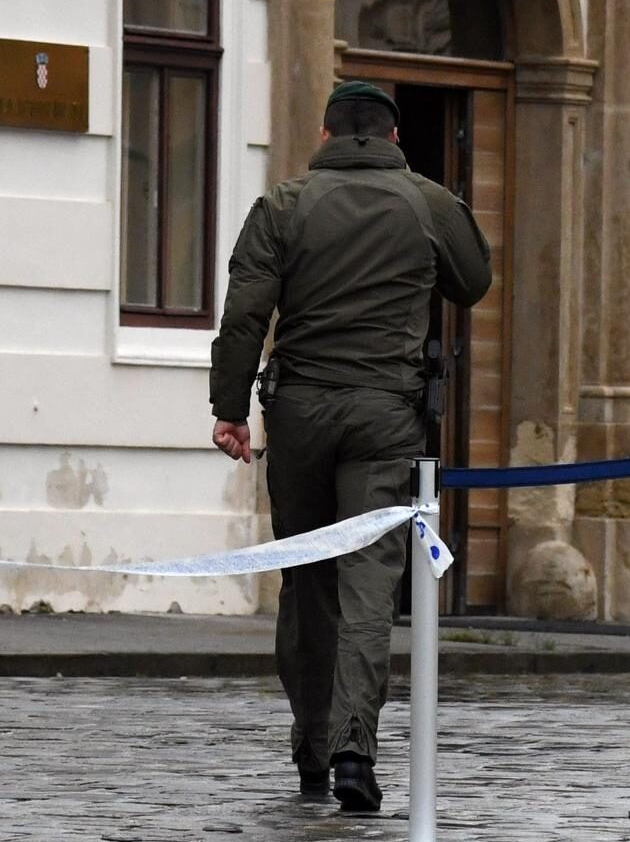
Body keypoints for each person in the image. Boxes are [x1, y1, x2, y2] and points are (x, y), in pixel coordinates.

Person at [208, 81, 491, 811]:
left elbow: (244, 315)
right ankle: (354, 753)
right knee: (369, 584)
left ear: (325, 135)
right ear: (395, 138)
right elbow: (473, 282)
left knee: (306, 582)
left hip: (299, 412)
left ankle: (310, 752)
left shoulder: (282, 205)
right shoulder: (428, 202)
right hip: (385, 416)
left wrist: (230, 410)